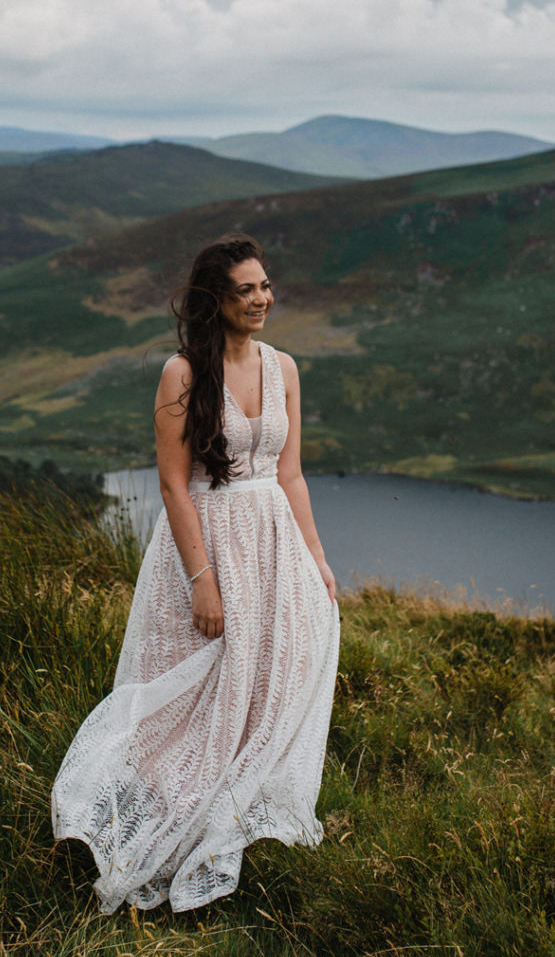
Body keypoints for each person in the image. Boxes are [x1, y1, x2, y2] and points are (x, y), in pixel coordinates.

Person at [51, 233, 340, 913]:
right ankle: (168, 824)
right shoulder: (182, 374)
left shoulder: (286, 368)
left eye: (266, 286)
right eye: (246, 290)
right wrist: (201, 580)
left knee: (271, 677)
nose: (262, 299)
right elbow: (175, 487)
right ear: (216, 299)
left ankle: (233, 815)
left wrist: (317, 558)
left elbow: (290, 473)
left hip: (272, 541)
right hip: (211, 541)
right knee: (197, 684)